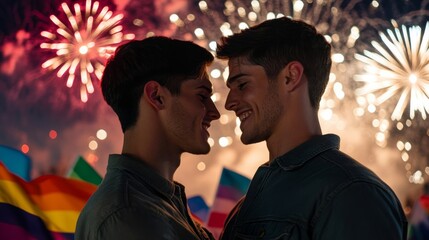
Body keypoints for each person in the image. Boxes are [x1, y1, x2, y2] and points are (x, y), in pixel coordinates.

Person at [216, 17, 408, 240]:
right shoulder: (249, 200)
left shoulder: (353, 193)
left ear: (290, 77)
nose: (229, 103)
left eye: (242, 85)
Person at [75, 36, 220, 240]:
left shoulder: (155, 205)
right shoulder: (129, 215)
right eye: (202, 96)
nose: (215, 113)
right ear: (157, 96)